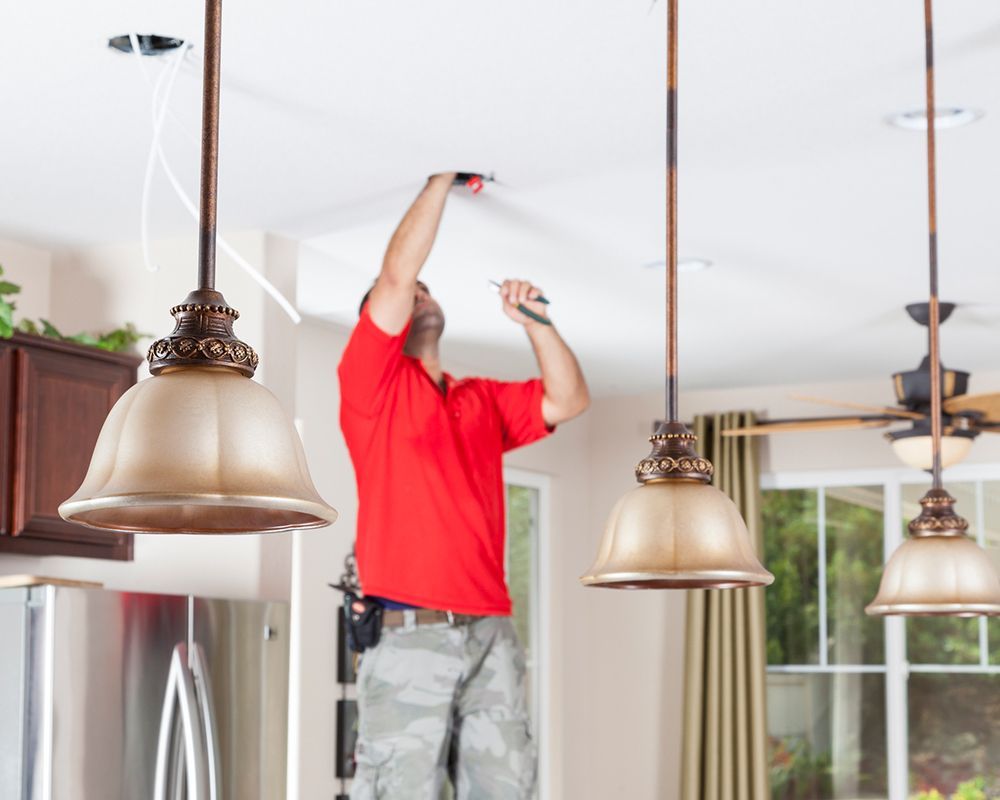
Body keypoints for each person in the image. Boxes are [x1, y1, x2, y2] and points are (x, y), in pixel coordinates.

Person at [338, 172, 589, 799]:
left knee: (508, 786)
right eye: (408, 295)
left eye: (428, 290)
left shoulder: (478, 399)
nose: (419, 294)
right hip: (409, 632)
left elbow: (570, 398)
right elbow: (396, 276)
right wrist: (441, 178)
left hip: (491, 629)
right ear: (383, 321)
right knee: (400, 789)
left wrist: (536, 322)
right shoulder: (371, 390)